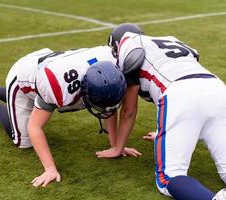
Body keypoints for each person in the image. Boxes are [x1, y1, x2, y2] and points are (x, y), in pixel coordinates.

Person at [0, 46, 141, 187]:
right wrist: (50, 169)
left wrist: (115, 146)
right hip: (24, 76)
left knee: (43, 102)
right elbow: (35, 127)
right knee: (23, 141)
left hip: (49, 66)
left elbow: (108, 108)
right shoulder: (58, 87)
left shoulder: (111, 69)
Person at [96, 23, 226, 200]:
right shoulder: (169, 40)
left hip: (181, 93)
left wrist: (118, 148)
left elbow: (129, 111)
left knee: (168, 178)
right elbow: (189, 77)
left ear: (116, 45)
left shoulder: (129, 46)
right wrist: (165, 132)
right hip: (217, 88)